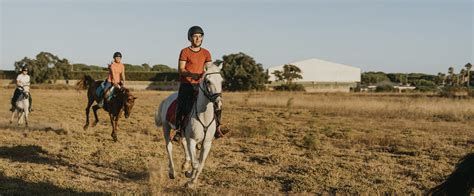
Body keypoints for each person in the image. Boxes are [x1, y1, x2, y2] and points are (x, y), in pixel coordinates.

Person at [175, 26, 226, 140]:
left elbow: (209, 67)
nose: (198, 39)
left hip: (202, 85)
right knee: (182, 104)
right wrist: (193, 75)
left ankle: (217, 128)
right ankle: (179, 130)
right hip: (187, 84)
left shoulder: (206, 53)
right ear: (190, 38)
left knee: (217, 101)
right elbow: (181, 69)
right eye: (195, 36)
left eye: (200, 36)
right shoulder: (185, 52)